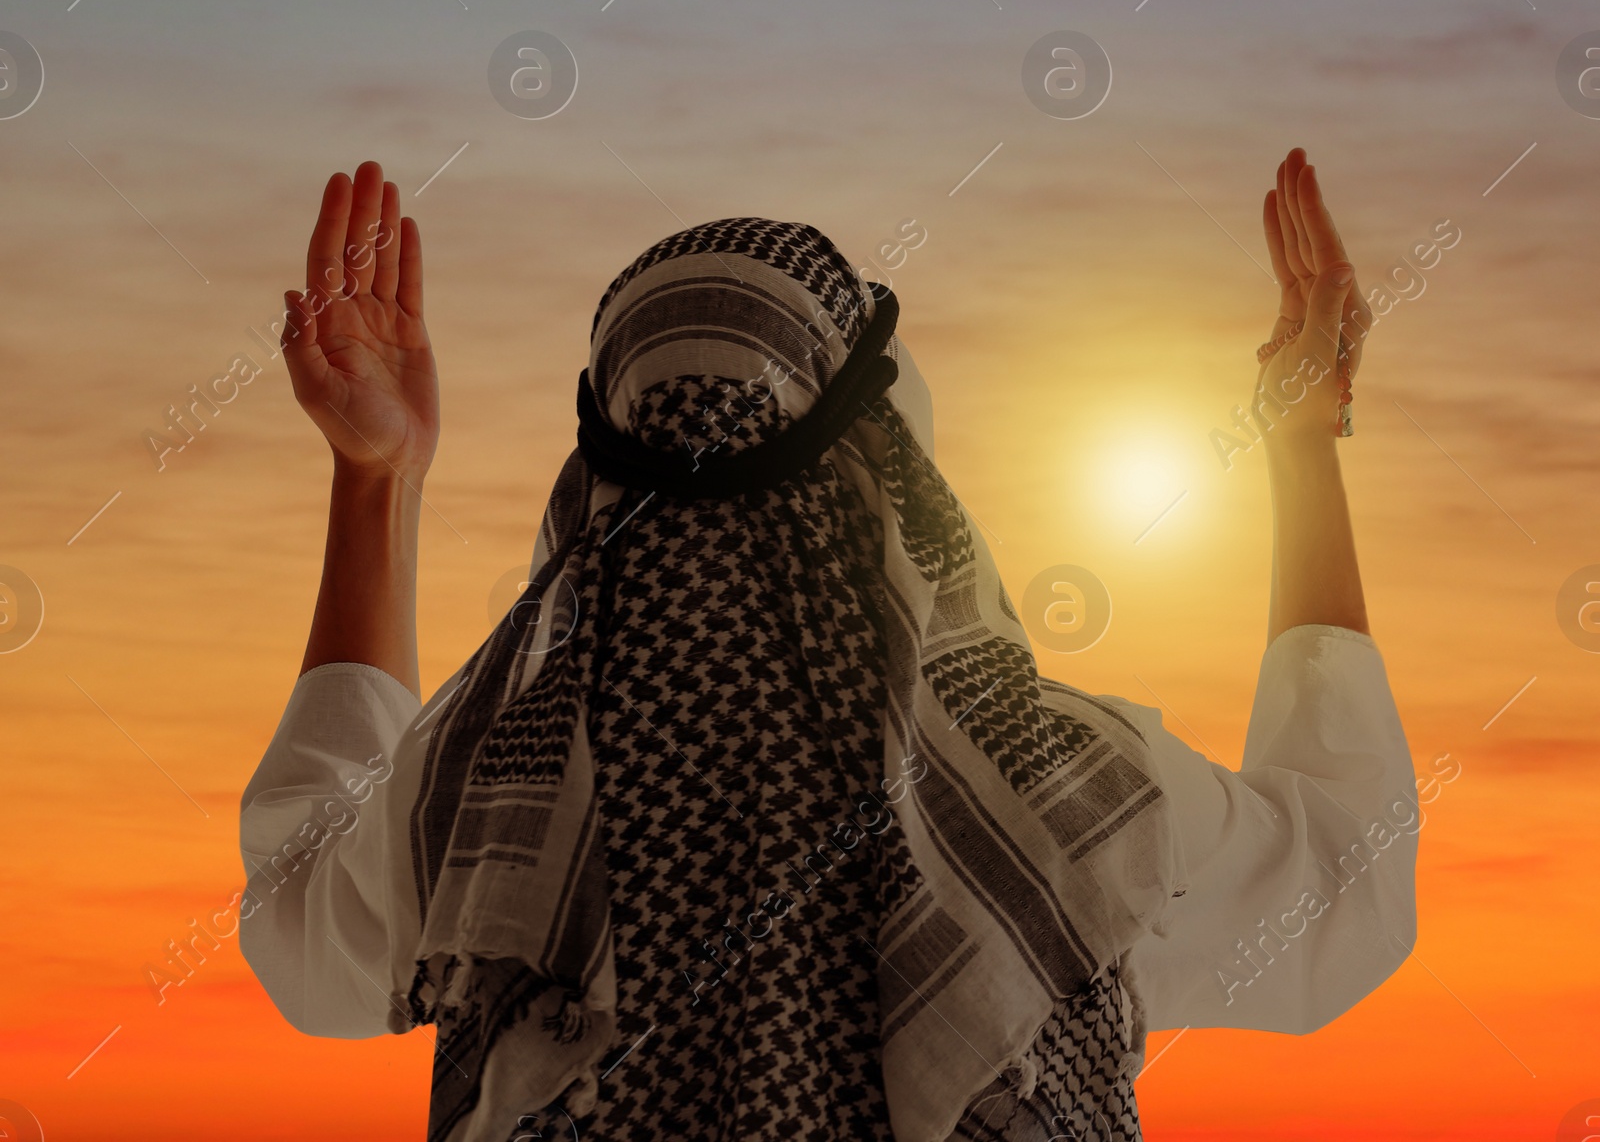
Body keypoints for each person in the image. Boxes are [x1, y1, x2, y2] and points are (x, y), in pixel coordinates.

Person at [239, 149, 1417, 1142]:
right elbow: (1351, 884)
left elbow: (297, 914)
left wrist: (375, 479)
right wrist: (1304, 440)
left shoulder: (482, 808)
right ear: (890, 466)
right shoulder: (1057, 796)